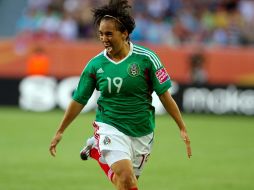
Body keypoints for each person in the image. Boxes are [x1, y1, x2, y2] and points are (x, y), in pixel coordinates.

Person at [49, 1, 192, 190]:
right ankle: (100, 144)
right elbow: (79, 100)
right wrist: (60, 131)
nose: (104, 38)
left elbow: (165, 95)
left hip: (142, 131)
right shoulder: (95, 65)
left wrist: (181, 127)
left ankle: (96, 152)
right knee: (125, 176)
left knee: (125, 183)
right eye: (101, 34)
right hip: (109, 126)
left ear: (124, 33)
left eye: (109, 33)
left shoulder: (147, 58)